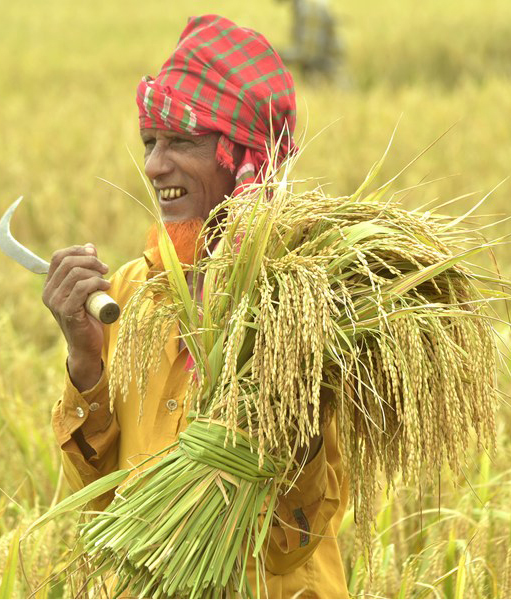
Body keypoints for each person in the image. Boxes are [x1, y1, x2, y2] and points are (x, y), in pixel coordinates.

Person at [43, 15, 349, 598]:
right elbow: (106, 506)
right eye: (150, 143)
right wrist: (85, 363)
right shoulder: (132, 291)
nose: (155, 165)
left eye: (181, 141)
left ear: (243, 154)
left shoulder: (306, 299)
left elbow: (293, 541)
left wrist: (293, 393)